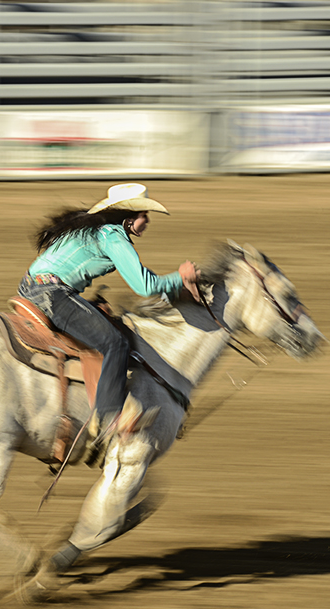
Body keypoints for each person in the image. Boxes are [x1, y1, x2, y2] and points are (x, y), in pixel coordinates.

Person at [17, 183, 200, 444]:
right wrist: (180, 278)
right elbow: (144, 285)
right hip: (53, 295)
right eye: (143, 215)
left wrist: (174, 289)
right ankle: (108, 416)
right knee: (116, 342)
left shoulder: (93, 228)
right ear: (127, 217)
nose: (147, 220)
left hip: (33, 287)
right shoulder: (113, 237)